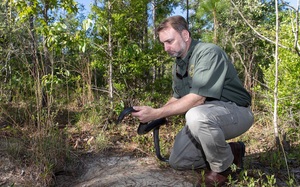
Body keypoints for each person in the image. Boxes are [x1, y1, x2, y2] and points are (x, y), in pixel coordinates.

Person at [131, 15, 254, 186]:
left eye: (170, 41)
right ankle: (232, 152)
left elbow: (197, 99)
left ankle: (222, 169)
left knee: (195, 116)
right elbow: (177, 97)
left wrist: (157, 112)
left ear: (185, 35)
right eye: (163, 43)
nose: (166, 48)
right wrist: (156, 116)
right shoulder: (179, 64)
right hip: (207, 113)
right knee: (179, 161)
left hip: (236, 111)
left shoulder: (208, 52)